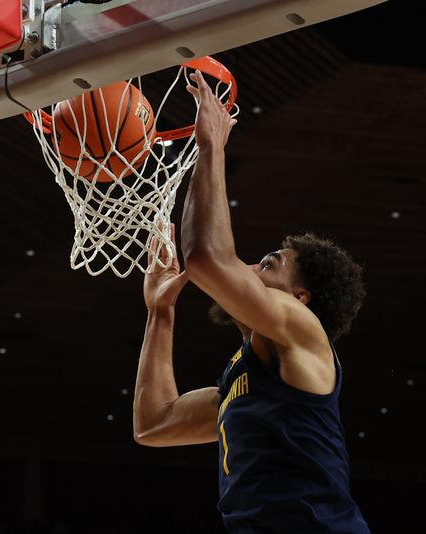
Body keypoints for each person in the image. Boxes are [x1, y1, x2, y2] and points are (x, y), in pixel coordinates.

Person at [132, 70, 370, 533]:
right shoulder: (243, 379)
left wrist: (211, 148)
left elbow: (207, 259)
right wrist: (159, 314)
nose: (247, 267)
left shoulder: (300, 327)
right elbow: (154, 425)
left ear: (300, 297)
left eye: (268, 264)